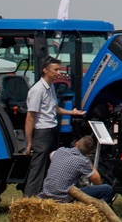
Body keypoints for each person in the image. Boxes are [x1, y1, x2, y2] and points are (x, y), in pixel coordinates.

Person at [24, 57, 86, 196]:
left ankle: (44, 196)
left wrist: (72, 112)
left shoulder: (50, 86)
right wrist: (29, 143)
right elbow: (30, 118)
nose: (59, 72)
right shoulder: (38, 90)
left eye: (59, 69)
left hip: (51, 130)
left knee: (49, 167)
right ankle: (29, 198)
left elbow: (54, 108)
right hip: (42, 132)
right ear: (45, 70)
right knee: (38, 168)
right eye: (56, 69)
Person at [39, 135, 113, 203]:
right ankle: (98, 212)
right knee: (107, 189)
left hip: (46, 195)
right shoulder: (83, 161)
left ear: (76, 144)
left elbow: (51, 155)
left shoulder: (60, 150)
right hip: (64, 198)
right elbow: (98, 181)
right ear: (88, 152)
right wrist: (89, 161)